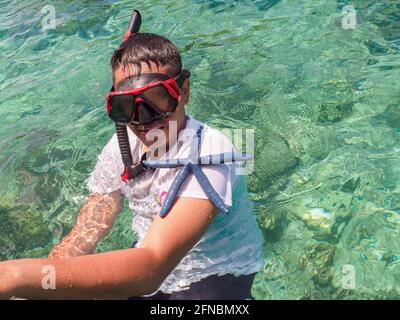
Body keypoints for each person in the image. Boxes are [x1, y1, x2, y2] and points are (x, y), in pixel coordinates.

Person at [0, 31, 264, 300]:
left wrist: (17, 275)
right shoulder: (121, 145)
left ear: (184, 92)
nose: (144, 119)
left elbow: (152, 266)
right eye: (127, 105)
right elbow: (97, 213)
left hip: (214, 275)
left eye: (157, 99)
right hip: (145, 258)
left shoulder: (211, 154)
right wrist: (47, 276)